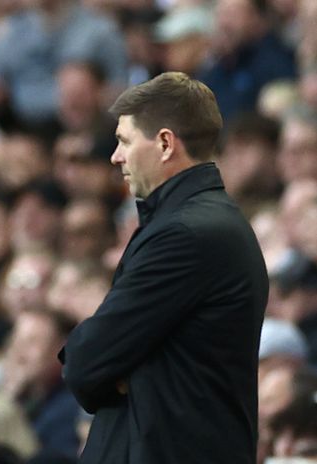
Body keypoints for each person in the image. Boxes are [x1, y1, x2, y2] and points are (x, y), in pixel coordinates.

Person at [59, 72, 269, 463]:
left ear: (165, 143)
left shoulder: (187, 234)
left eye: (124, 141)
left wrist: (125, 369)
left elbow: (85, 363)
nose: (115, 156)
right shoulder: (199, 223)